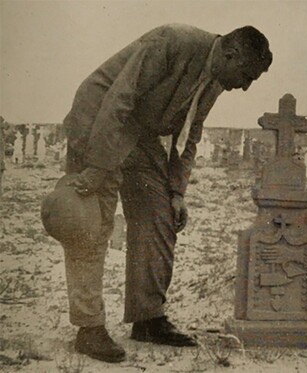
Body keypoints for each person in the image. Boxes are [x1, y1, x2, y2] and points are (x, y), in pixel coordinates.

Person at [61, 23, 272, 363]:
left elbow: (191, 135)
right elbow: (120, 98)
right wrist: (99, 167)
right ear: (230, 54)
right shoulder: (172, 42)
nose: (245, 87)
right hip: (99, 120)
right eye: (246, 75)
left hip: (139, 136)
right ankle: (89, 328)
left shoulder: (216, 78)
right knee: (92, 224)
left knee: (160, 215)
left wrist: (177, 191)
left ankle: (148, 318)